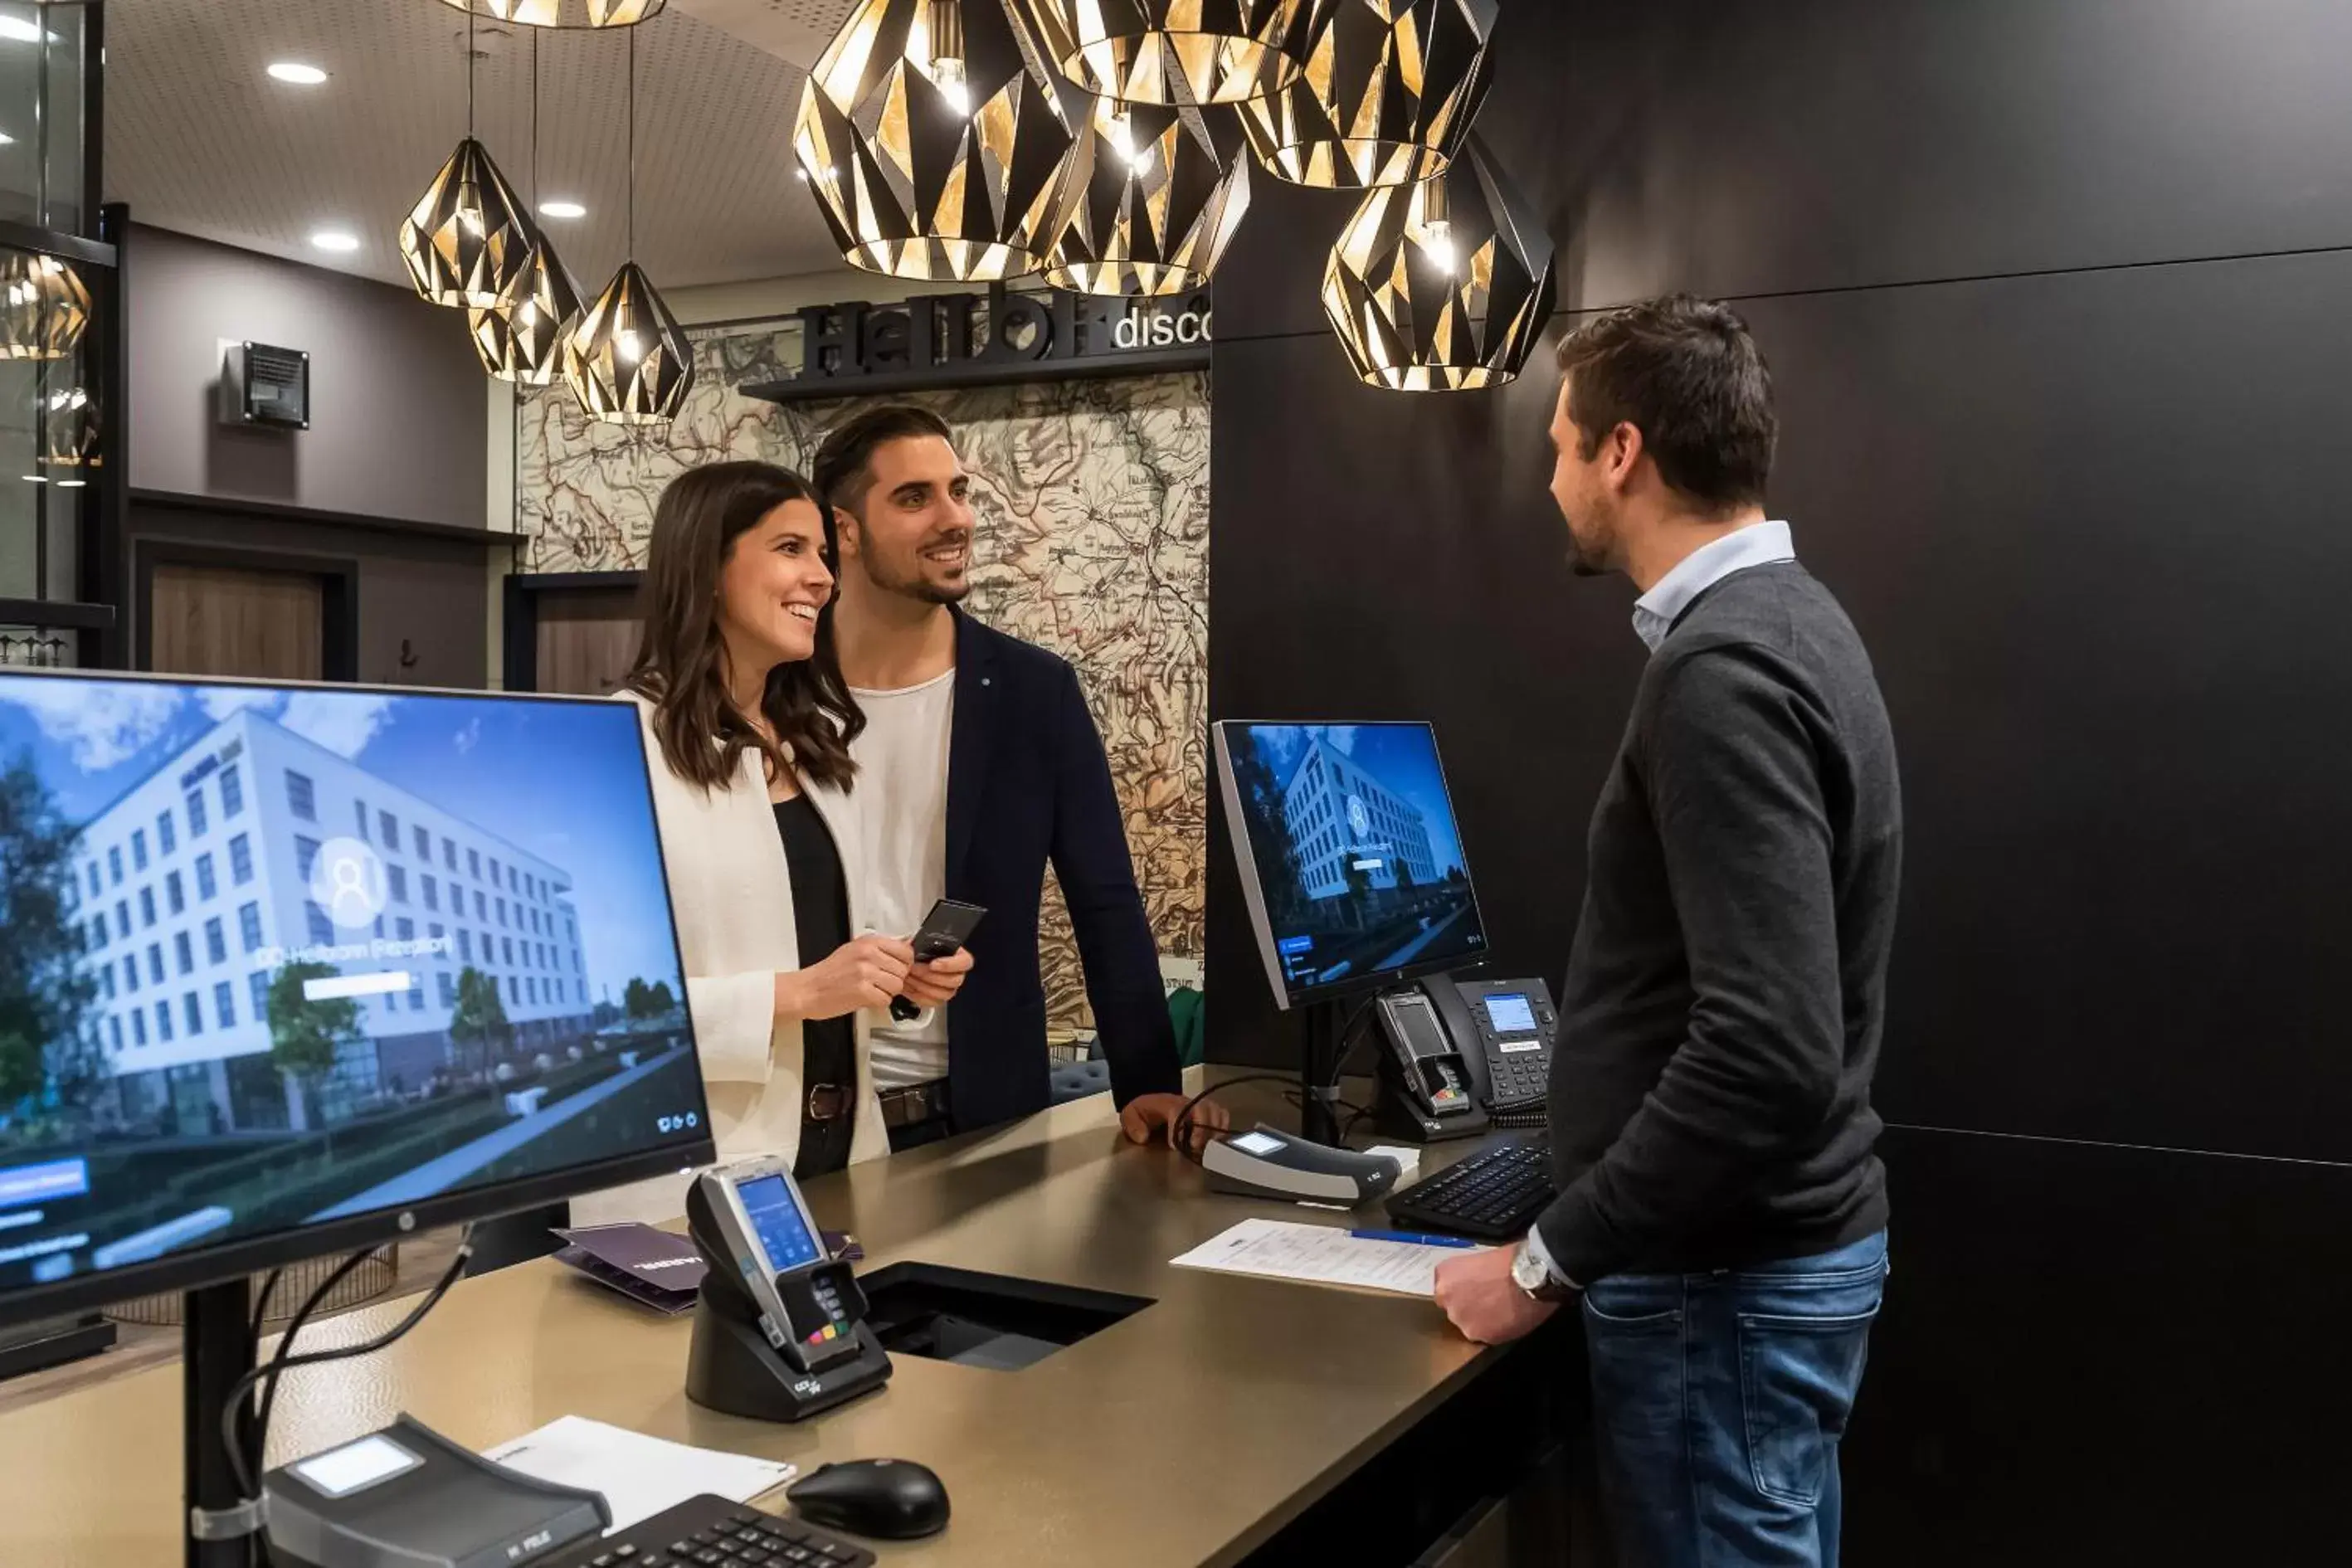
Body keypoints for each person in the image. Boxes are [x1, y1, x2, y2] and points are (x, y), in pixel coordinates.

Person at [1433, 296, 1902, 1568]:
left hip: (1718, 1288)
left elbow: (1765, 1048)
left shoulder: (1722, 671)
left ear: (1621, 453)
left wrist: (1537, 1265)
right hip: (1750, 1277)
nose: (1547, 479)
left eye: (1557, 446)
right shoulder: (1790, 621)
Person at [809, 405, 1224, 1152]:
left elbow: (1104, 898)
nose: (955, 519)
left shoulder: (1034, 691)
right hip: (806, 1116)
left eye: (958, 491)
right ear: (844, 529)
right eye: (914, 498)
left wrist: (1149, 1079)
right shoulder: (777, 690)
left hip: (982, 1116)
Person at [574, 461, 973, 1226]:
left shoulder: (818, 747)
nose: (823, 579)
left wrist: (892, 975)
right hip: (688, 1183)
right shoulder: (612, 749)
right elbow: (592, 1018)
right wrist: (799, 993)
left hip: (840, 1165)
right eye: (791, 548)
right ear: (708, 568)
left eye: (825, 554)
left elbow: (815, 945)